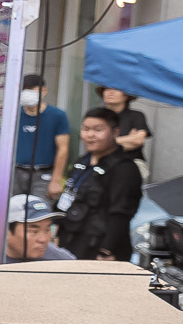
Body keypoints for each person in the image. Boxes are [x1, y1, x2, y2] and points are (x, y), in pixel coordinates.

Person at [60, 108, 144, 261]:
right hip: (71, 242)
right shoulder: (81, 162)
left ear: (115, 132)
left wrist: (106, 250)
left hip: (101, 249)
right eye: (86, 129)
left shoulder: (125, 168)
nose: (90, 135)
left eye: (98, 130)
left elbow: (121, 214)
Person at [11, 76, 71, 199]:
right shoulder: (14, 114)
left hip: (43, 173)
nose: (26, 94)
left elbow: (63, 149)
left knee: (39, 212)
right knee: (13, 212)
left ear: (43, 91)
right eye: (24, 90)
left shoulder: (57, 115)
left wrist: (56, 180)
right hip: (16, 172)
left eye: (31, 90)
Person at [0, 194, 76, 262]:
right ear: (5, 231)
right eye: (34, 231)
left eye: (47, 230)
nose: (43, 239)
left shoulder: (62, 261)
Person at [97, 84, 153, 161]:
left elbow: (138, 140)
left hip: (132, 161)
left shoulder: (136, 115)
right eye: (107, 89)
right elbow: (93, 143)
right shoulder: (97, 116)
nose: (111, 92)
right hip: (103, 162)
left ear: (126, 95)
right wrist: (127, 140)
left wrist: (106, 143)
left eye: (116, 89)